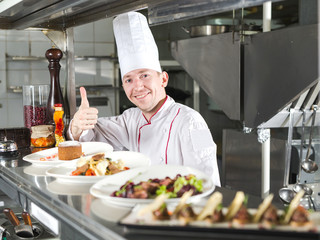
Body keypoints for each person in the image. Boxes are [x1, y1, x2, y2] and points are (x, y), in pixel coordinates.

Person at [67, 11, 221, 187]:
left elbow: (208, 182)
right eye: (129, 80)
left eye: (145, 75)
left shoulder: (192, 122)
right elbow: (91, 138)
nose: (138, 86)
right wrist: (78, 125)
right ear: (123, 86)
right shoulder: (130, 119)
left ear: (163, 79)